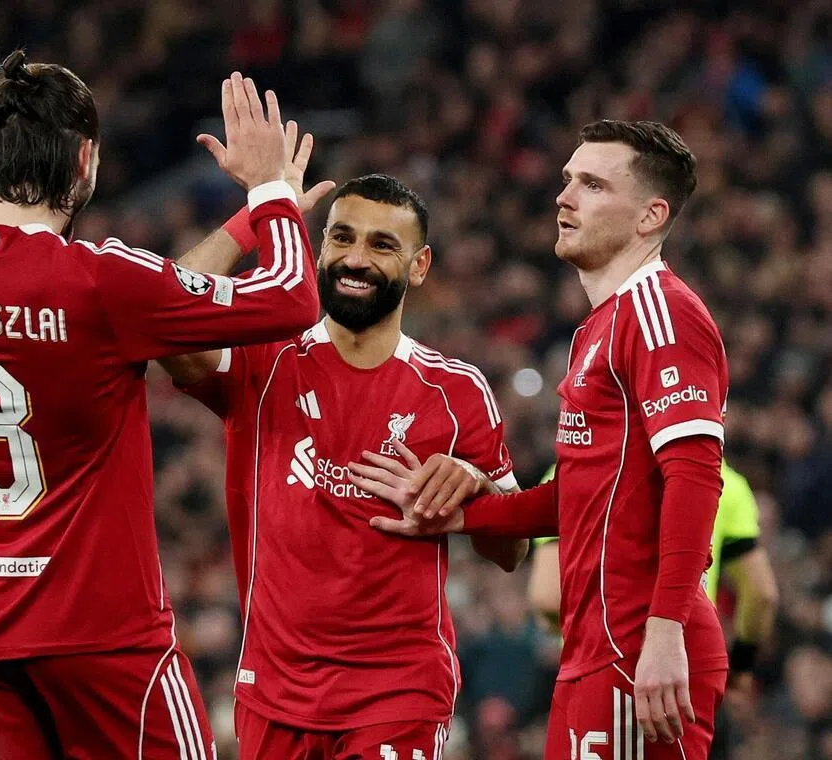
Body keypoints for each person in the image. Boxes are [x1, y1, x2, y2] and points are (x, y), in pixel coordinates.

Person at [0, 50, 321, 758]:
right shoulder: (98, 278)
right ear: (84, 159)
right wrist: (270, 191)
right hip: (101, 636)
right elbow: (291, 297)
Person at [350, 121, 730, 758]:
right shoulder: (597, 330)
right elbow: (580, 494)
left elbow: (695, 476)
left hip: (638, 643)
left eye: (593, 185)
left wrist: (665, 632)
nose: (565, 196)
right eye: (568, 180)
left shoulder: (662, 313)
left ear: (651, 215)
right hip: (596, 646)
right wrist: (460, 513)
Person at [161, 173, 527, 760]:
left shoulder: (456, 391)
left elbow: (513, 553)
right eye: (342, 237)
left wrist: (477, 492)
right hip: (273, 691)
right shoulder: (266, 358)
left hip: (397, 694)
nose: (355, 259)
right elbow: (165, 315)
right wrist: (258, 213)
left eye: (382, 245)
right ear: (319, 247)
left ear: (419, 265)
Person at [526, 461, 779, 759]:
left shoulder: (576, 467)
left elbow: (547, 596)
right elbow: (761, 595)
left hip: (598, 679)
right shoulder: (721, 478)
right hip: (686, 677)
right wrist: (740, 667)